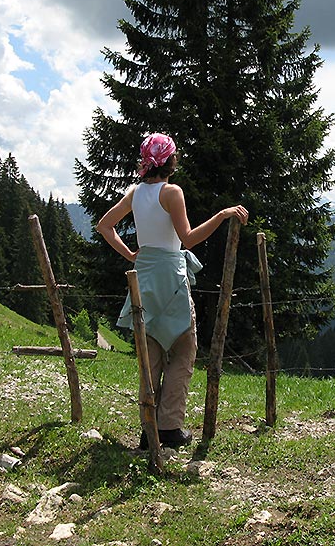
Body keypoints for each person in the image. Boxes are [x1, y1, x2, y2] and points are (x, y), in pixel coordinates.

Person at [97, 133, 248, 449]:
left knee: (149, 353)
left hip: (144, 274)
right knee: (183, 348)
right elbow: (188, 239)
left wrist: (131, 254)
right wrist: (222, 215)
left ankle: (149, 429)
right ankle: (169, 428)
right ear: (169, 161)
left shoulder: (135, 194)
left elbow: (104, 225)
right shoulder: (172, 192)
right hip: (171, 276)